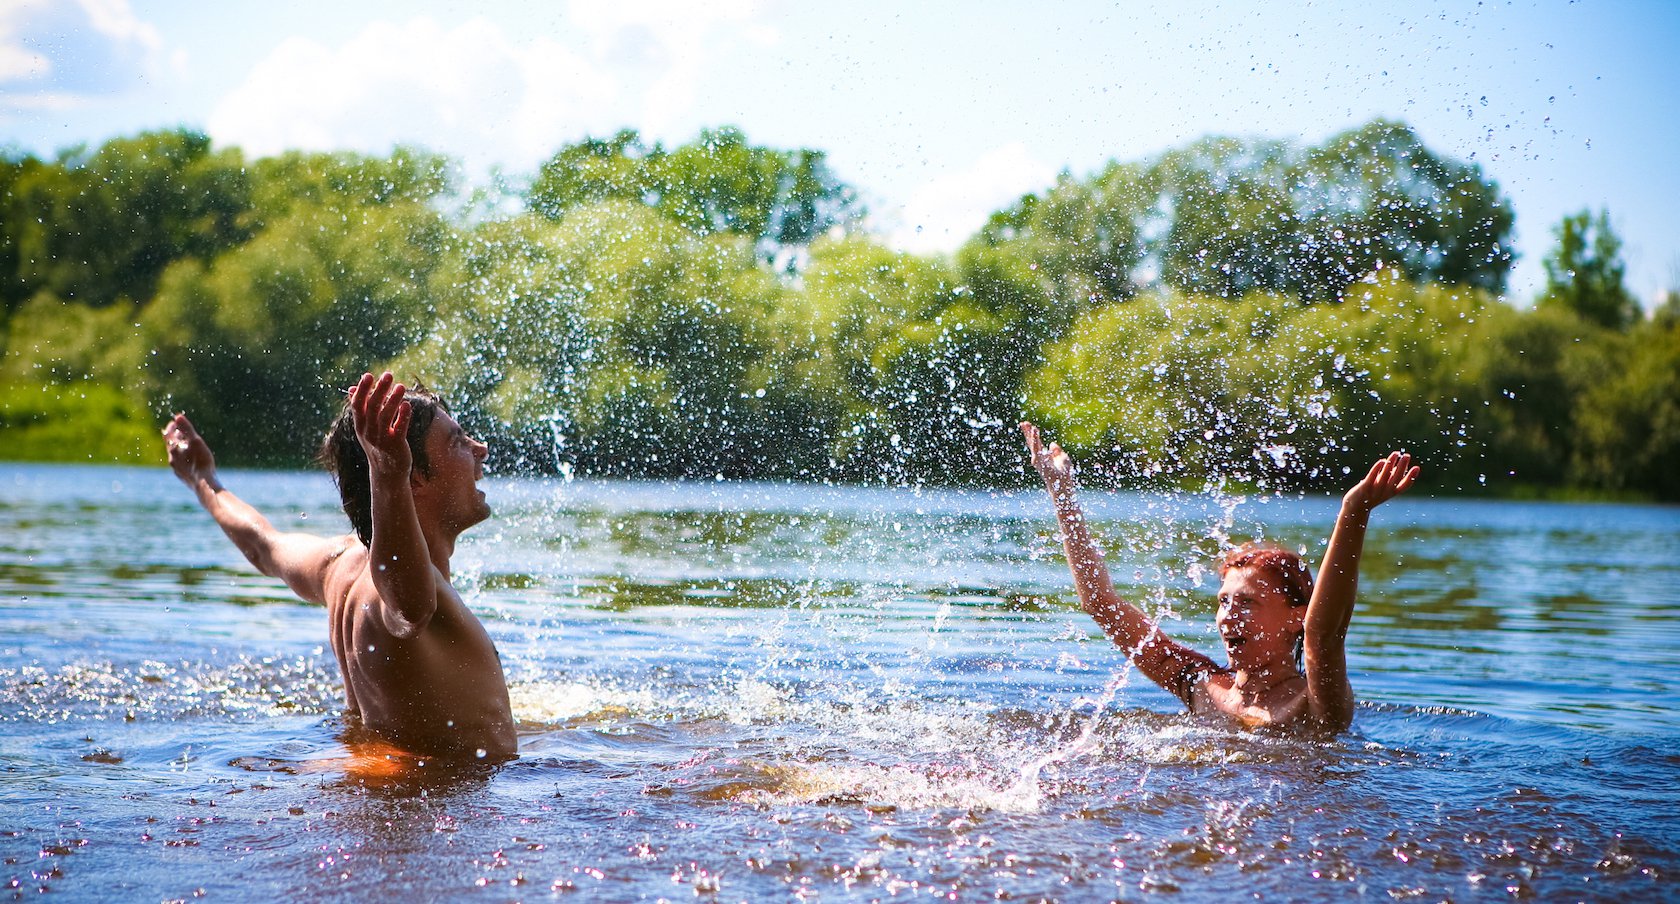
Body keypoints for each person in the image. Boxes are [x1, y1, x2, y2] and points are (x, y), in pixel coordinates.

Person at [163, 372, 517, 761]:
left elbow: (263, 545)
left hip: (378, 786)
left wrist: (203, 480)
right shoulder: (404, 589)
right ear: (413, 477)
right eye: (458, 441)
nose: (479, 448)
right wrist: (386, 470)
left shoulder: (340, 565)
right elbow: (407, 607)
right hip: (433, 806)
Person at [1020, 421, 1418, 734]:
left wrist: (1354, 511)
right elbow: (1101, 605)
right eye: (1224, 601)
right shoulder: (1202, 687)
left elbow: (1325, 635)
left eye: (1247, 602)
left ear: (1297, 615)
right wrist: (1062, 492)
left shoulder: (1316, 704)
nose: (1228, 615)